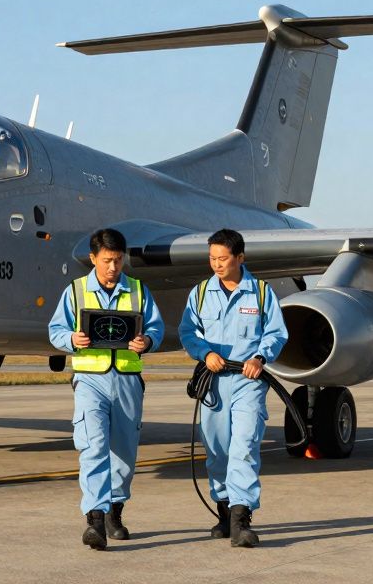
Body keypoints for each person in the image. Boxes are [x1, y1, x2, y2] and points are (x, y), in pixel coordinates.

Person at [48, 228, 164, 550]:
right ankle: (95, 520)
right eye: (107, 261)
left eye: (118, 260)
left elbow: (156, 326)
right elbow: (55, 329)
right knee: (94, 446)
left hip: (127, 379)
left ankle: (116, 511)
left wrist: (148, 341)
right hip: (90, 380)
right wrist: (71, 339)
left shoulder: (139, 291)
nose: (113, 267)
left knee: (124, 453)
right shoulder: (75, 291)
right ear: (93, 258)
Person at [178, 228, 287, 548]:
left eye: (223, 258)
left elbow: (276, 334)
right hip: (213, 383)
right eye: (212, 258)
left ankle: (242, 519)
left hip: (248, 382)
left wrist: (260, 356)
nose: (216, 264)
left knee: (244, 446)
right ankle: (224, 511)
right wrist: (205, 353)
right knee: (217, 451)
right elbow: (188, 332)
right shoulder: (199, 293)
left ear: (240, 257)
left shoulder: (262, 293)